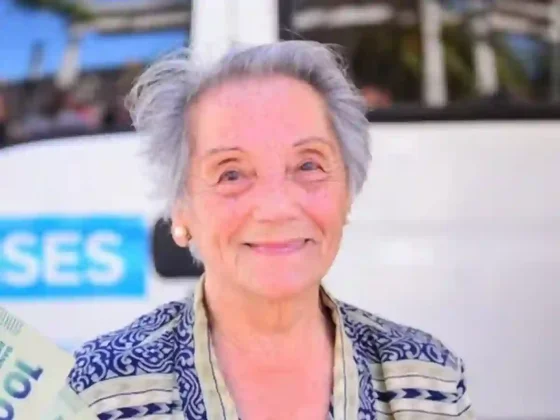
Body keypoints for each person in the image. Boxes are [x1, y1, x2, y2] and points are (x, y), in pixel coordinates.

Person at [68, 41, 474, 419]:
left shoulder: (426, 379)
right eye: (231, 173)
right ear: (181, 210)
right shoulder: (100, 392)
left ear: (347, 193)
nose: (277, 208)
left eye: (309, 165)